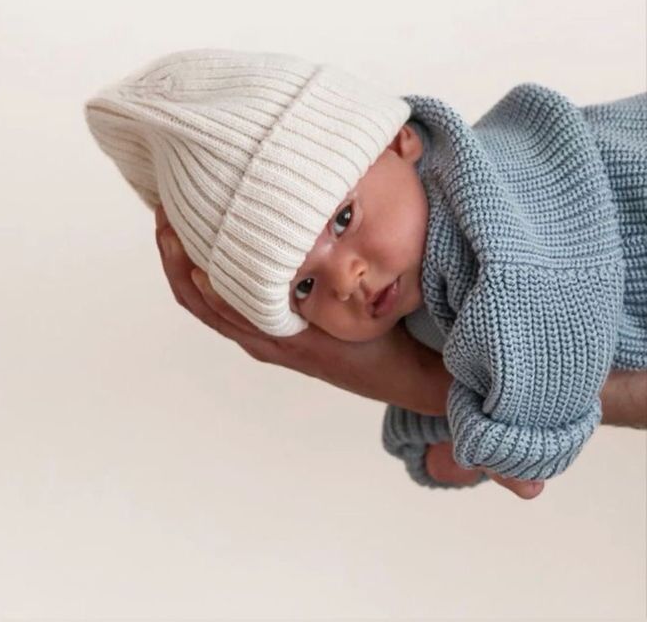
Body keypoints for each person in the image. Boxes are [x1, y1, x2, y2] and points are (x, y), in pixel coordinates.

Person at [84, 48, 647, 499]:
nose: (345, 278)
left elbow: (550, 356)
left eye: (343, 219)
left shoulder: (481, 216)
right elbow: (466, 352)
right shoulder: (416, 273)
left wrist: (500, 438)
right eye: (304, 286)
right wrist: (437, 429)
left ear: (401, 140)